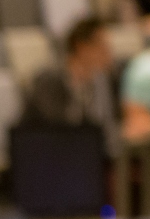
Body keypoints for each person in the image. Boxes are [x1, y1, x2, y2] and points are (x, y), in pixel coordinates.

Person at [20, 16, 117, 149]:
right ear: (81, 47)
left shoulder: (96, 83)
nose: (108, 53)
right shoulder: (48, 81)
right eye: (102, 46)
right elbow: (59, 129)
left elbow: (102, 128)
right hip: (42, 154)